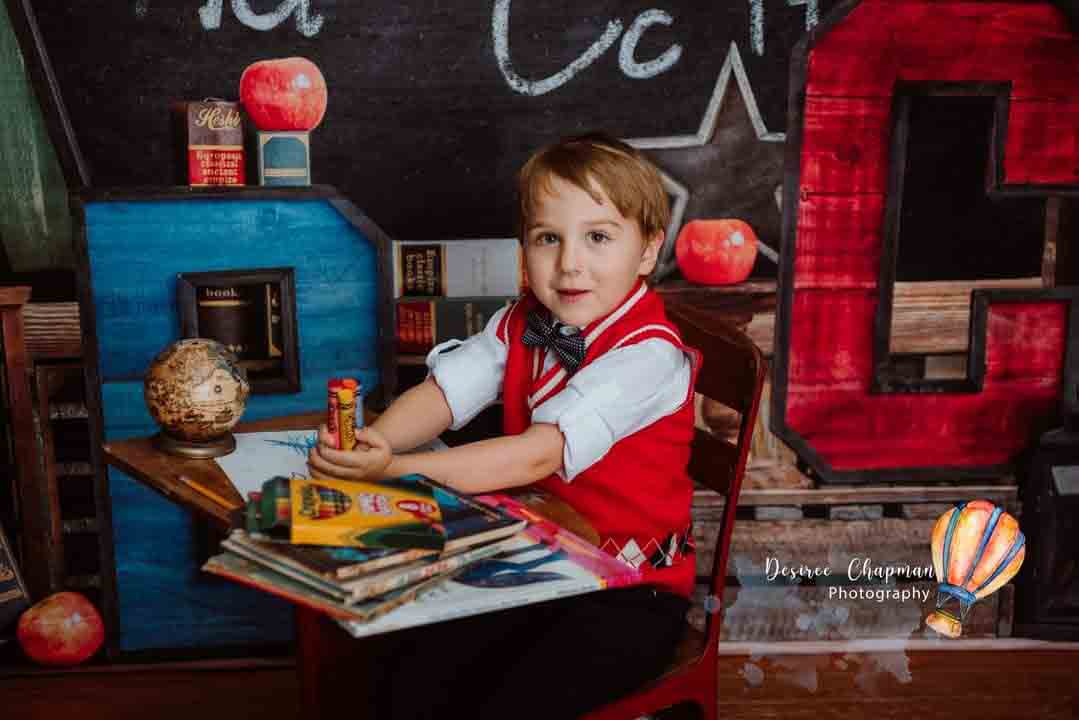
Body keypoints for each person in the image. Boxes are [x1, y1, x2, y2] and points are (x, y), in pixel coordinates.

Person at [308, 131, 700, 719]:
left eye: (598, 237)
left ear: (647, 251)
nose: (570, 263)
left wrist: (398, 470)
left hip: (629, 588)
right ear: (523, 250)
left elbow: (535, 457)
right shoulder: (524, 321)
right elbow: (443, 393)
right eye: (549, 239)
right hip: (537, 558)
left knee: (512, 702)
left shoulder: (647, 357)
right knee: (407, 663)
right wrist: (379, 441)